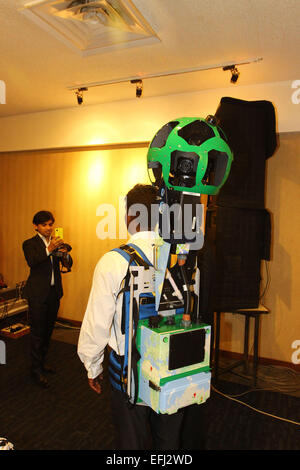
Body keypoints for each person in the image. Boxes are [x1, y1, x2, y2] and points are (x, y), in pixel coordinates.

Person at [77, 184, 186, 450]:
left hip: (130, 372)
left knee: (132, 441)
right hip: (175, 366)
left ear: (129, 216)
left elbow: (97, 323)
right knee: (169, 439)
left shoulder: (114, 262)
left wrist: (92, 366)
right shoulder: (179, 259)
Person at [23, 210, 72, 389]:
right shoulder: (29, 244)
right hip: (37, 294)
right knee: (37, 333)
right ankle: (35, 369)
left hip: (53, 293)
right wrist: (49, 249)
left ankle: (42, 362)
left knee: (48, 330)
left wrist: (65, 254)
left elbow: (68, 264)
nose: (48, 228)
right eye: (44, 225)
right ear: (36, 226)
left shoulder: (57, 243)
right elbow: (33, 261)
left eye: (50, 224)